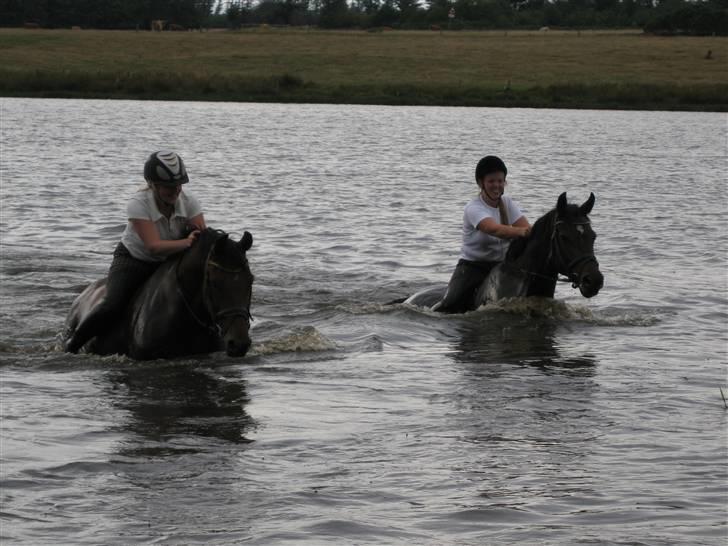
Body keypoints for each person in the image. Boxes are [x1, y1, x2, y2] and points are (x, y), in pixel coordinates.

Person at [65, 150, 206, 353]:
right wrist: (186, 242)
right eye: (168, 187)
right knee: (112, 306)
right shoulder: (138, 203)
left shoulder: (189, 201)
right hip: (134, 261)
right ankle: (72, 347)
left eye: (178, 185)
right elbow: (153, 246)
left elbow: (201, 237)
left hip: (171, 262)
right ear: (152, 185)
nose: (175, 191)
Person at [433, 155, 531, 313]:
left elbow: (526, 228)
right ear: (481, 183)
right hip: (472, 267)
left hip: (501, 265)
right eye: (491, 181)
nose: (496, 185)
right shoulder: (473, 208)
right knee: (450, 306)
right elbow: (495, 229)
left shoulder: (508, 203)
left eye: (500, 181)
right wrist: (523, 232)